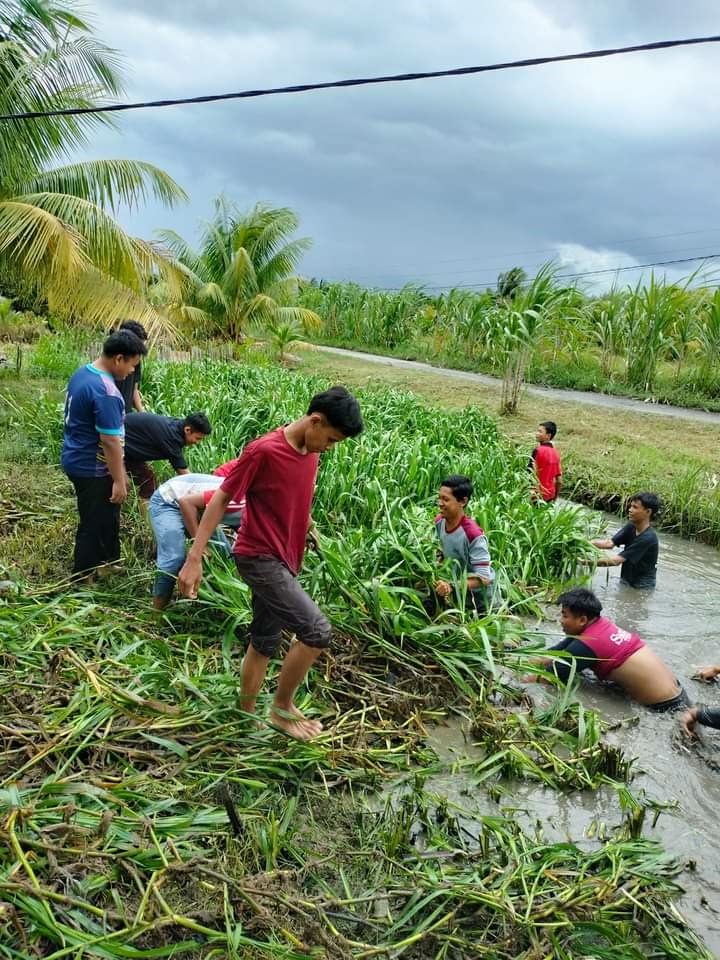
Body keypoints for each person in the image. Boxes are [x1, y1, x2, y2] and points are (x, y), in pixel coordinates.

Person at [177, 385, 364, 740]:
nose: (330, 447)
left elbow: (292, 496)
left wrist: (308, 528)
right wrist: (194, 556)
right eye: (331, 439)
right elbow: (220, 499)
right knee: (316, 632)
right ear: (315, 421)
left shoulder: (310, 451)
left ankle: (246, 718)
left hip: (286, 557)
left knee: (264, 641)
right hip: (260, 557)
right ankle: (281, 708)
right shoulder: (264, 451)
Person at [61, 330, 147, 580]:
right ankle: (83, 576)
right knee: (94, 520)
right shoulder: (106, 391)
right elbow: (110, 442)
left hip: (77, 455)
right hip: (91, 466)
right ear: (119, 358)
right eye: (132, 365)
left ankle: (108, 562)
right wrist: (119, 479)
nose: (132, 371)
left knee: (108, 513)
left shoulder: (83, 373)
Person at [532, 586, 687, 710]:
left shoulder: (589, 643)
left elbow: (547, 677)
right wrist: (527, 659)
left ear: (582, 620)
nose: (560, 620)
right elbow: (556, 653)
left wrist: (519, 680)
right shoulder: (599, 626)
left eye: (565, 616)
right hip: (678, 693)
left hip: (665, 706)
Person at [149, 473, 244, 610]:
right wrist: (200, 546)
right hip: (170, 501)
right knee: (174, 558)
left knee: (226, 558)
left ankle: (218, 601)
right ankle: (156, 612)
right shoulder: (239, 500)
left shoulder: (260, 514)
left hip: (200, 511)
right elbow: (186, 502)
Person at [432, 474, 495, 614]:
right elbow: (441, 551)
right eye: (439, 498)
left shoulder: (473, 535)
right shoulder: (439, 522)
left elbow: (484, 578)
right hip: (457, 600)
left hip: (481, 606)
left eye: (446, 499)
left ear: (463, 501)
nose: (440, 503)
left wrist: (451, 586)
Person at [124, 411, 212, 507]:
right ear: (187, 430)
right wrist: (205, 495)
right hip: (119, 447)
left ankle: (145, 514)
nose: (198, 443)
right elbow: (185, 475)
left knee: (148, 483)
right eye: (197, 438)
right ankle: (145, 516)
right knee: (145, 485)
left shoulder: (177, 426)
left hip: (129, 447)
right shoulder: (172, 437)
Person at [590, 492, 661, 589]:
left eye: (635, 507)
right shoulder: (632, 526)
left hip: (642, 586)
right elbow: (609, 543)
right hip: (626, 579)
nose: (630, 510)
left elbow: (615, 561)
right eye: (631, 506)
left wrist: (585, 562)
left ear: (648, 512)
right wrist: (583, 543)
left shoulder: (648, 538)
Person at [113, 320, 148, 413]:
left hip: (125, 415)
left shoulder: (136, 361)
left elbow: (134, 390)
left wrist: (142, 414)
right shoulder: (111, 365)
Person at [529, 420, 562, 503]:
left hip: (535, 495)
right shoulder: (556, 453)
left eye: (540, 432)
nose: (536, 433)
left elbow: (530, 474)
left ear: (548, 436)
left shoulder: (538, 451)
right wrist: (555, 499)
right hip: (550, 496)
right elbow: (559, 481)